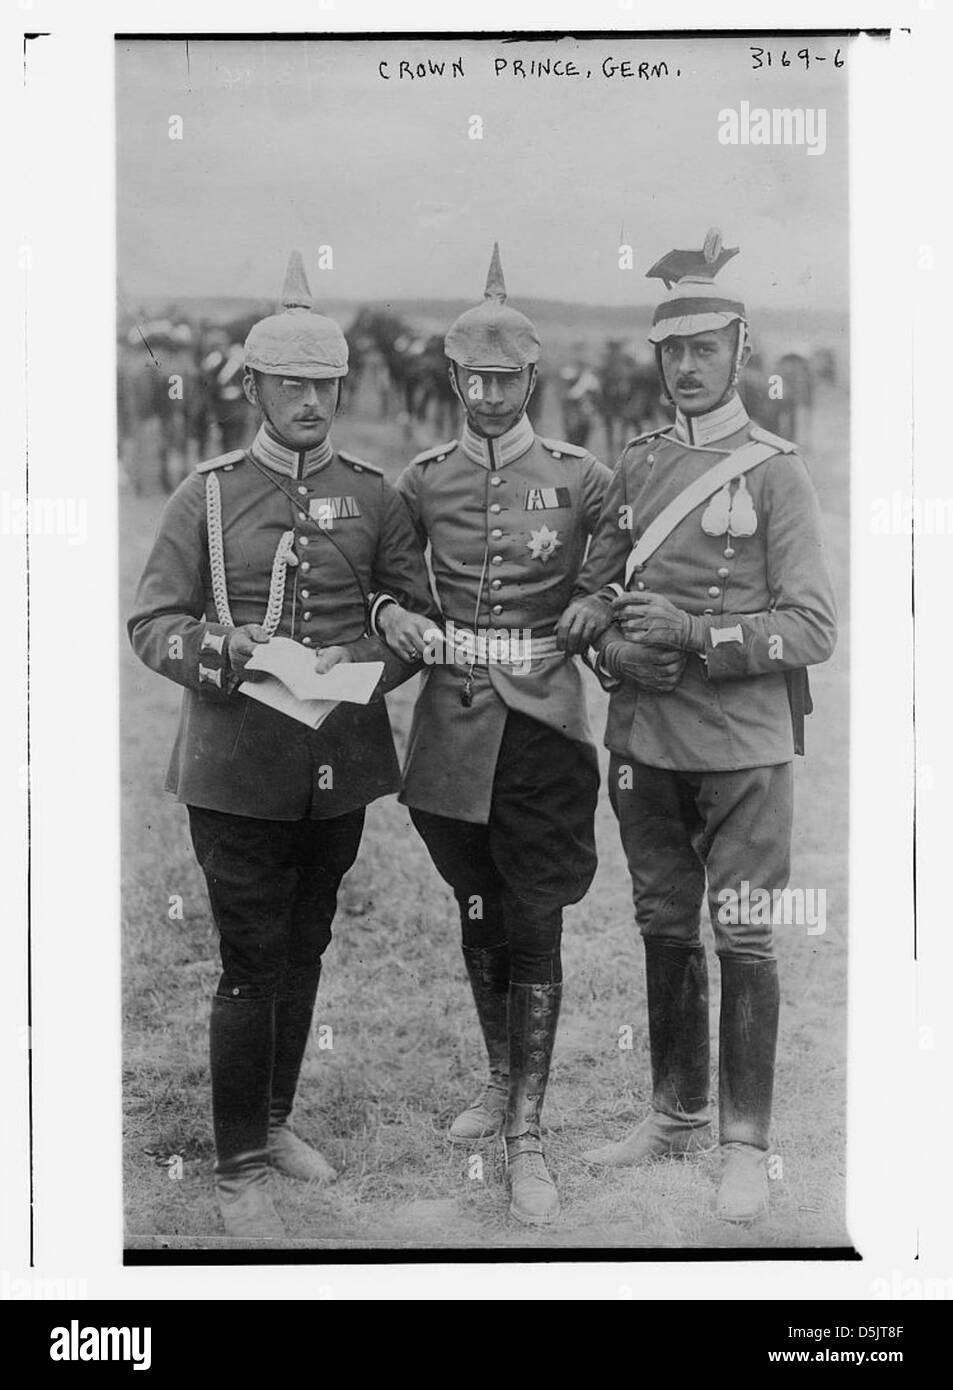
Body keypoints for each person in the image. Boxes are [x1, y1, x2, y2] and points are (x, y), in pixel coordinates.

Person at [128, 251, 434, 1239]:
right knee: (251, 962)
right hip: (236, 772)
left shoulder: (375, 495)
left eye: (324, 384)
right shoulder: (205, 497)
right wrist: (225, 652)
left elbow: (407, 617)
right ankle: (235, 1164)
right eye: (289, 384)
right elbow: (151, 624)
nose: (309, 400)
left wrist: (374, 663)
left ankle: (273, 1119)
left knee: (305, 949)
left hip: (334, 764)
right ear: (253, 388)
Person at [557, 230, 837, 1222]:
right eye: (670, 350)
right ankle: (672, 1113)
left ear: (739, 349)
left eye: (704, 348)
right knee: (662, 926)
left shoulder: (774, 472)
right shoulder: (634, 462)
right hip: (643, 740)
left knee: (744, 938)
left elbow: (812, 626)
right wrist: (596, 625)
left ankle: (744, 1147)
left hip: (741, 748)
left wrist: (698, 633)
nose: (685, 366)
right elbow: (597, 580)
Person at [373, 245, 612, 1225]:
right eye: (470, 377)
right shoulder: (419, 482)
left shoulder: (582, 478)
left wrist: (596, 601)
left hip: (543, 724)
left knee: (532, 916)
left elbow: (610, 576)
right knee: (473, 907)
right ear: (451, 377)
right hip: (450, 729)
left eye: (504, 378)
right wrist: (395, 619)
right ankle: (497, 1074)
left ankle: (528, 1132)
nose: (485, 393)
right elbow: (387, 582)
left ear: (533, 379)